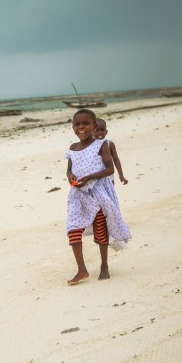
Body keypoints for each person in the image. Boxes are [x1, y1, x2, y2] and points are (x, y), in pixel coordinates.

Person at [64, 109, 131, 285]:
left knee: (101, 231)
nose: (81, 127)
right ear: (72, 127)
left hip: (98, 194)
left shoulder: (101, 146)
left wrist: (90, 177)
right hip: (78, 195)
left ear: (94, 126)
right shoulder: (72, 148)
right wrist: (71, 176)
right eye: (77, 124)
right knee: (73, 230)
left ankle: (104, 265)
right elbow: (69, 169)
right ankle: (82, 270)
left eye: (86, 123)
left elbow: (110, 169)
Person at [94, 118, 128, 185]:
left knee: (110, 194)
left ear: (106, 132)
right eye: (96, 130)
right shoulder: (89, 146)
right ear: (91, 132)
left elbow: (116, 159)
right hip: (95, 178)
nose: (100, 132)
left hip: (109, 177)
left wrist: (121, 175)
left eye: (102, 130)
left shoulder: (110, 144)